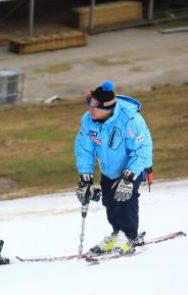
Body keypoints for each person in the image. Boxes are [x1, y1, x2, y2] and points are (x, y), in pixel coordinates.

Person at [74, 80, 153, 254]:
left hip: (133, 167)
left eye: (93, 106)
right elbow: (84, 150)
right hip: (109, 169)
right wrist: (85, 179)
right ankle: (117, 233)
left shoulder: (130, 119)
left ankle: (130, 236)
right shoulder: (88, 121)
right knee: (110, 201)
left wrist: (128, 177)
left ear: (106, 108)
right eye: (89, 104)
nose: (89, 109)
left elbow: (142, 149)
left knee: (126, 198)